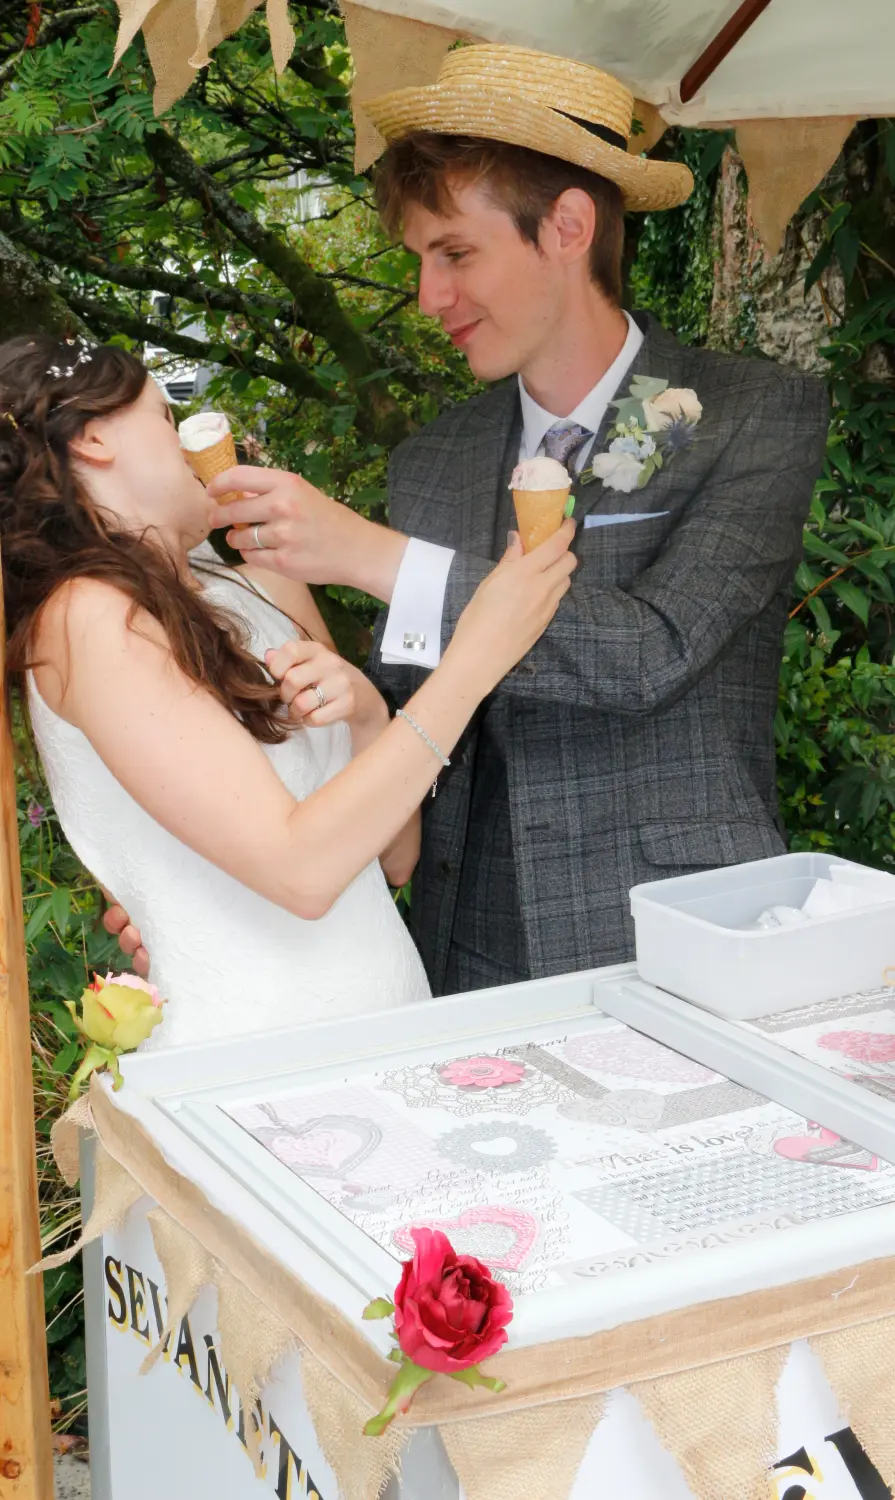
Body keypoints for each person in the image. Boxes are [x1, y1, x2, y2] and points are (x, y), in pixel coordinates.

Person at [107, 45, 831, 1000]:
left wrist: (376, 559)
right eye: (418, 261)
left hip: (678, 930)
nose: (428, 298)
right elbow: (404, 726)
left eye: (455, 253)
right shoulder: (433, 458)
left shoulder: (751, 415)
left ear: (568, 226)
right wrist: (201, 880)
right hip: (462, 945)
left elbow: (653, 653)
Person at [0, 334, 575, 1046]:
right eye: (162, 417)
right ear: (92, 440)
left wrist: (367, 714)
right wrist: (476, 655)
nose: (189, 440)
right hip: (253, 1059)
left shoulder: (256, 581)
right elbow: (300, 871)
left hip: (390, 1021)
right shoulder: (88, 617)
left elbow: (392, 857)